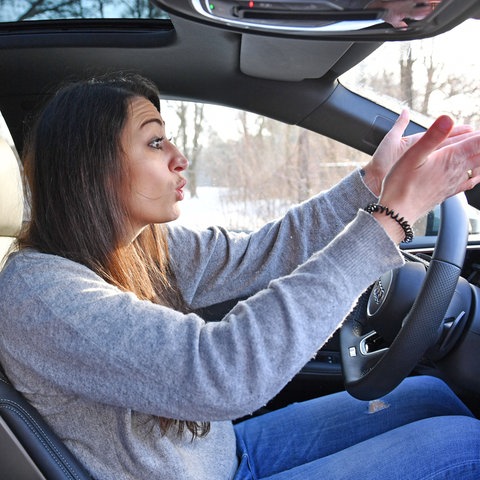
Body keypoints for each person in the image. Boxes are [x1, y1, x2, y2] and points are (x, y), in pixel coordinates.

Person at [0, 73, 480, 480]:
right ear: (91, 169)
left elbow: (267, 251)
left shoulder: (141, 246)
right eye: (154, 141)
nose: (178, 156)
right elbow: (219, 372)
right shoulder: (38, 294)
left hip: (226, 455)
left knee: (430, 395)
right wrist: (390, 220)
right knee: (464, 446)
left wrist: (372, 184)